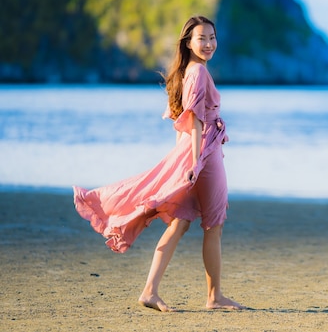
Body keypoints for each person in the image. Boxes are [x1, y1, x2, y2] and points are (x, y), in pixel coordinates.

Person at [73, 16, 244, 312]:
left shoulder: (186, 72)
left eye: (212, 37)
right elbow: (194, 118)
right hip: (204, 156)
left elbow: (182, 122)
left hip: (194, 153)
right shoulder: (198, 73)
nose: (209, 44)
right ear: (188, 42)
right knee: (213, 226)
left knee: (179, 224)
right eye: (202, 38)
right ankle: (214, 297)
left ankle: (150, 291)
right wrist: (194, 161)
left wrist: (186, 159)